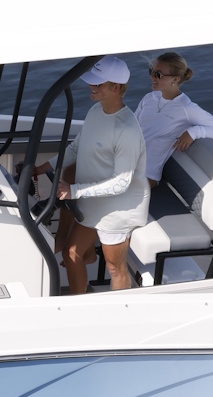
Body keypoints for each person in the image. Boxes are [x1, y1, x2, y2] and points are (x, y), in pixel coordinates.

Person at [35, 56, 149, 293]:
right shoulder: (96, 110)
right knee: (71, 254)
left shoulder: (126, 130)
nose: (91, 86)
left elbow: (122, 183)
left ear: (115, 88)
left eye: (97, 83)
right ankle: (80, 304)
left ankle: (121, 309)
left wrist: (73, 191)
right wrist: (43, 167)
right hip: (94, 202)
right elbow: (76, 148)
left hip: (118, 210)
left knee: (115, 268)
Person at [135, 51, 213, 185]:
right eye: (151, 71)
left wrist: (193, 132)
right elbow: (132, 128)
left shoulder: (186, 108)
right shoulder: (149, 98)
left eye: (158, 74)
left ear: (175, 79)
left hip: (146, 176)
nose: (152, 77)